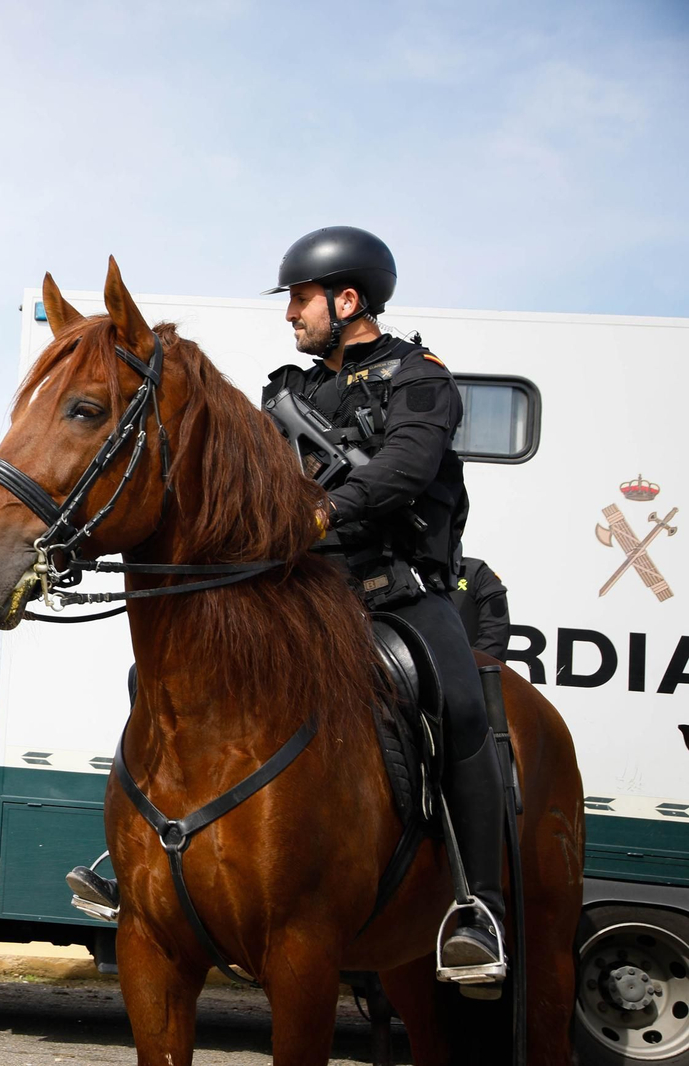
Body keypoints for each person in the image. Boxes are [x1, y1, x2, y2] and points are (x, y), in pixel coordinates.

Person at [261, 226, 507, 996]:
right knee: (164, 671)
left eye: (300, 299)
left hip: (396, 593)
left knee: (462, 707)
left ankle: (476, 908)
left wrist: (322, 512)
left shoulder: (420, 377)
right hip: (304, 595)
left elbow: (404, 468)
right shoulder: (286, 393)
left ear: (348, 299)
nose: (290, 315)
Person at [452, 551, 511, 660]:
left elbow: (494, 639)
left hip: (464, 672)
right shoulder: (412, 575)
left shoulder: (478, 574)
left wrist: (464, 668)